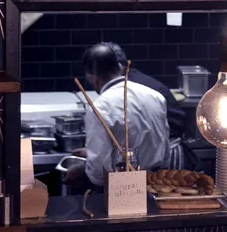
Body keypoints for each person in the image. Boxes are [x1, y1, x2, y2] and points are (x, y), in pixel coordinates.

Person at [66, 44, 171, 188]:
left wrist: (83, 170)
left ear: (92, 78)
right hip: (157, 183)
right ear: (120, 67)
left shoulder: (99, 108)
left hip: (123, 188)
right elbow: (163, 145)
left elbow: (98, 170)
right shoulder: (154, 96)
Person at [104, 42, 189, 169]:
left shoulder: (131, 89)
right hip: (158, 151)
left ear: (118, 67)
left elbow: (136, 132)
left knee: (163, 187)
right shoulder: (129, 82)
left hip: (167, 151)